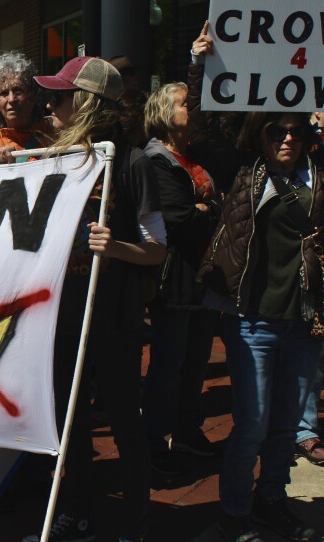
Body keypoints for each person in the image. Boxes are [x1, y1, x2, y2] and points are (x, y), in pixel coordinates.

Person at [25, 56, 166, 542]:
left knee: (125, 423)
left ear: (87, 104)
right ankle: (77, 513)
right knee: (70, 425)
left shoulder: (133, 161)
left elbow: (157, 250)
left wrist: (117, 246)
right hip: (61, 318)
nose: (50, 104)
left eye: (61, 96)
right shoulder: (57, 158)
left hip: (113, 320)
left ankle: (135, 524)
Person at [191, 22, 322, 542]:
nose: (286, 138)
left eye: (295, 131)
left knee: (287, 427)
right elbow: (200, 131)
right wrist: (200, 65)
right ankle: (235, 513)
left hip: (304, 322)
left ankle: (272, 503)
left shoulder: (317, 175)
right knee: (251, 425)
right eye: (276, 130)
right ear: (261, 133)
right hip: (254, 322)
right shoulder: (244, 172)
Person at [141, 82, 220, 477]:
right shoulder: (157, 160)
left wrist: (206, 207)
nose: (192, 107)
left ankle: (187, 431)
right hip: (176, 279)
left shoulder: (196, 157)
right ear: (163, 112)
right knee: (169, 365)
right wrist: (208, 210)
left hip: (204, 278)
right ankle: (155, 441)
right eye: (185, 102)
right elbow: (178, 219)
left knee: (196, 363)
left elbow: (205, 209)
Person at [0, 51, 51, 165]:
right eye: (4, 93)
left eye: (18, 91)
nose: (11, 99)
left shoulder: (55, 140)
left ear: (33, 95)